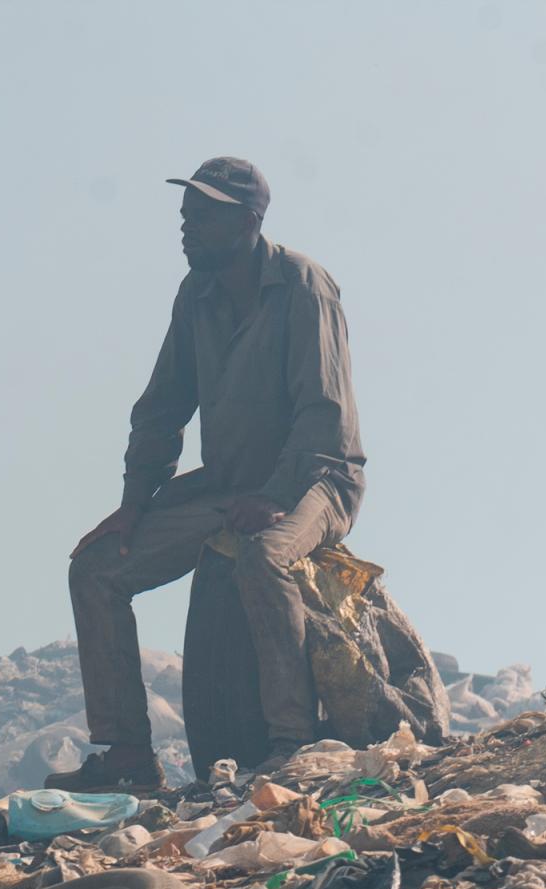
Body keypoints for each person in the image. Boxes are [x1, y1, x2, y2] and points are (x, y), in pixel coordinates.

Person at [51, 157, 366, 792]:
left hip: (316, 481)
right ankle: (129, 759)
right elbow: (164, 406)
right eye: (185, 215)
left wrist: (278, 498)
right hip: (228, 485)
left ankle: (292, 745)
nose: (187, 228)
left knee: (264, 556)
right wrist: (134, 503)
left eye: (204, 216)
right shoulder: (195, 296)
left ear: (249, 221)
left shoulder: (305, 285)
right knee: (97, 568)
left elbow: (322, 414)